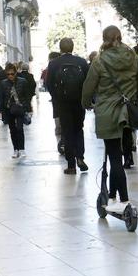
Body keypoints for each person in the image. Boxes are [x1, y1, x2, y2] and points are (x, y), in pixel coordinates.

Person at [82, 25, 138, 213]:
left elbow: (88, 88)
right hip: (127, 111)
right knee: (122, 153)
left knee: (114, 157)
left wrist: (86, 103)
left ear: (105, 39)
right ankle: (114, 195)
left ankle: (123, 200)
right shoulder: (133, 56)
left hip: (108, 112)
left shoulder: (99, 61)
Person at [46, 38, 89, 174]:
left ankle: (71, 164)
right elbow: (88, 82)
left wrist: (56, 98)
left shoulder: (53, 64)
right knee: (78, 129)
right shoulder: (81, 62)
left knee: (67, 131)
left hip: (62, 104)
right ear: (73, 47)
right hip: (79, 102)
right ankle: (80, 157)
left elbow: (49, 84)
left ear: (60, 48)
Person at [0, 63, 30, 158]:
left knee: (20, 128)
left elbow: (27, 96)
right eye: (8, 74)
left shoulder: (23, 82)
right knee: (12, 130)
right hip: (8, 109)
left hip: (20, 108)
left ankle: (22, 149)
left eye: (12, 73)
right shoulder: (3, 83)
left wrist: (28, 109)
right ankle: (15, 149)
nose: (10, 76)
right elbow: (1, 98)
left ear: (16, 73)